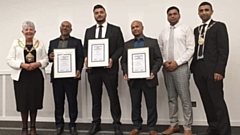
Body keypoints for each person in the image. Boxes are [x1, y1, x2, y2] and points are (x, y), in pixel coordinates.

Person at [190, 2, 231, 135]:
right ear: (198, 13)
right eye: (201, 10)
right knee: (206, 101)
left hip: (213, 70)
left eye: (206, 10)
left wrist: (220, 70)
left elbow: (223, 50)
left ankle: (224, 131)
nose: (204, 13)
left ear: (212, 12)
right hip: (199, 69)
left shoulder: (219, 26)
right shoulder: (197, 30)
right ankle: (213, 128)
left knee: (217, 102)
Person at [83, 4, 124, 135]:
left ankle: (117, 124)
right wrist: (86, 58)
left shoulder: (115, 30)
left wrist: (112, 58)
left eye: (101, 12)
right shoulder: (89, 31)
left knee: (113, 97)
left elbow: (121, 47)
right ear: (94, 15)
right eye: (96, 13)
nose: (99, 14)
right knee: (96, 98)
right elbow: (85, 48)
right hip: (94, 71)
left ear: (105, 14)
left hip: (109, 69)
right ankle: (96, 124)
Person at [6, 21, 48, 135]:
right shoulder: (16, 43)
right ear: (22, 31)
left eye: (31, 29)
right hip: (21, 76)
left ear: (35, 31)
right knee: (23, 102)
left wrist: (38, 64)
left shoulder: (40, 43)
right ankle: (24, 128)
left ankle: (33, 127)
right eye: (26, 29)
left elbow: (46, 59)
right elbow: (9, 59)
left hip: (36, 76)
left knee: (34, 102)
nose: (29, 31)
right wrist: (22, 65)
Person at [121, 20, 163, 135]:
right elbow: (123, 61)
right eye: (133, 27)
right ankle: (136, 126)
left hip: (149, 79)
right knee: (135, 104)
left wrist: (153, 72)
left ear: (142, 27)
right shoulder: (127, 45)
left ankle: (152, 128)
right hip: (134, 81)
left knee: (151, 105)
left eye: (137, 26)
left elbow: (159, 59)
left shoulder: (152, 42)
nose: (135, 29)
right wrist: (126, 72)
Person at [158, 6, 194, 135]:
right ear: (167, 17)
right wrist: (164, 62)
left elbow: (191, 49)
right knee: (171, 98)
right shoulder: (163, 33)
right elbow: (160, 50)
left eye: (174, 14)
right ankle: (174, 125)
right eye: (170, 14)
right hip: (167, 69)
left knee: (185, 98)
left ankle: (188, 127)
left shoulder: (186, 29)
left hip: (181, 68)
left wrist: (177, 62)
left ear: (179, 15)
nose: (172, 16)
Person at [48, 21, 84, 135]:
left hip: (71, 78)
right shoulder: (53, 42)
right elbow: (49, 58)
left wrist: (78, 70)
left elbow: (80, 58)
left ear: (71, 29)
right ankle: (59, 125)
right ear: (60, 28)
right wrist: (50, 56)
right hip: (57, 78)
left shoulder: (76, 42)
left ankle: (73, 125)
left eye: (67, 27)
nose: (65, 28)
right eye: (63, 26)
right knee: (58, 102)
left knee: (72, 101)